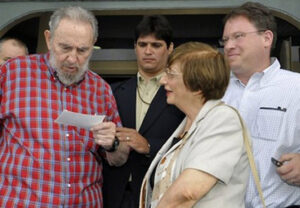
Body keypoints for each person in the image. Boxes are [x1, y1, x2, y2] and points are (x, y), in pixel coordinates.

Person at [0, 6, 129, 207]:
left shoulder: (101, 90)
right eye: (65, 48)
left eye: (82, 50)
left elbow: (118, 159)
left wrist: (113, 144)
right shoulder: (12, 73)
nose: (72, 58)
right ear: (48, 39)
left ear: (93, 44)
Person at [140, 41, 250, 208]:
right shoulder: (186, 124)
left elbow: (187, 193)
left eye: (170, 74)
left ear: (197, 85)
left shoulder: (223, 119)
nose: (163, 81)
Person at [221, 2, 300, 207]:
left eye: (238, 36)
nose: (229, 45)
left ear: (266, 38)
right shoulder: (214, 93)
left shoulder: (296, 87)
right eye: (226, 39)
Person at [103, 15, 184, 208]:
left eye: (156, 45)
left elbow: (189, 141)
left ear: (170, 48)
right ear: (135, 47)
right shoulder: (112, 91)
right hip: (114, 193)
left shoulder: (182, 91)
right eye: (142, 44)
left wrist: (148, 145)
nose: (148, 51)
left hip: (160, 192)